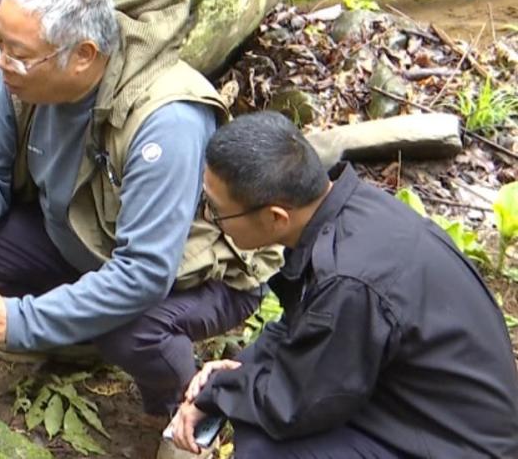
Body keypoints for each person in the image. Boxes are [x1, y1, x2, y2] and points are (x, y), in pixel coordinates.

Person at [0, 0, 282, 447]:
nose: (2, 62)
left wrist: (19, 319)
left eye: (17, 51)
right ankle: (76, 332)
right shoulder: (24, 73)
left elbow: (144, 274)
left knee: (132, 329)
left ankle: (186, 416)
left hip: (192, 275)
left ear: (84, 55)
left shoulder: (165, 119)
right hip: (81, 236)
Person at [169, 111, 518, 458]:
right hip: (420, 405)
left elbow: (293, 405)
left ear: (276, 217)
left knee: (264, 448)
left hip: (461, 445)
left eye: (216, 211)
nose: (209, 220)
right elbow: (302, 324)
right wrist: (239, 368)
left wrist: (216, 394)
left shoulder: (348, 280)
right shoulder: (349, 210)